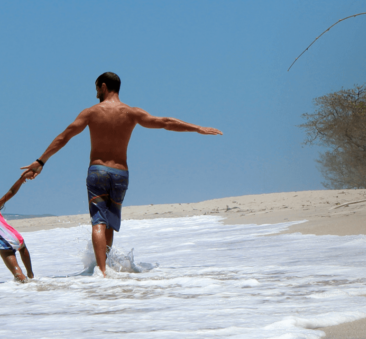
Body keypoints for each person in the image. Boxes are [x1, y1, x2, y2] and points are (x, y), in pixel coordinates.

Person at [20, 71, 221, 277]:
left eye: (97, 88)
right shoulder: (131, 112)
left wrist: (41, 161)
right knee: (109, 225)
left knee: (98, 220)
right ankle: (106, 269)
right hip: (120, 174)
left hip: (97, 171)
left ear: (104, 86)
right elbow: (165, 122)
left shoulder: (91, 112)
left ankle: (102, 271)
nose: (96, 92)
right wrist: (198, 128)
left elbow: (64, 137)